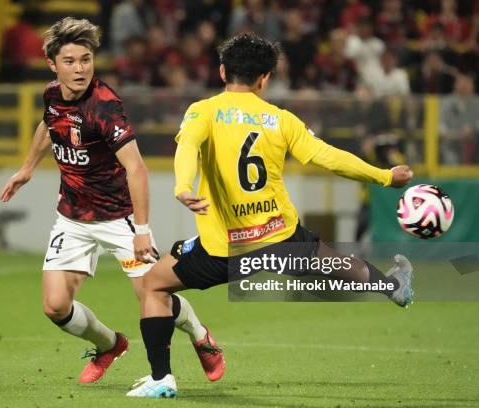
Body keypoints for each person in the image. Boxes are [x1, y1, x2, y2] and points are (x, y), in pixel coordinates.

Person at [126, 33, 414, 398]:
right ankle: (392, 287)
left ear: (221, 71)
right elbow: (328, 156)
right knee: (336, 261)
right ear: (265, 78)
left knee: (154, 285)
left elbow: (188, 148)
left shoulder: (203, 111)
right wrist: (386, 176)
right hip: (279, 237)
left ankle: (161, 378)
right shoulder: (281, 119)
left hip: (224, 247)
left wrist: (183, 187)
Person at [0, 17, 224, 384]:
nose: (80, 68)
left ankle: (202, 336)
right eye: (70, 61)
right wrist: (26, 168)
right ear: (53, 65)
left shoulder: (104, 106)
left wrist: (142, 230)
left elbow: (137, 169)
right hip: (72, 217)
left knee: (154, 293)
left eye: (86, 59)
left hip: (119, 219)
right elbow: (48, 123)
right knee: (55, 306)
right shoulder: (53, 94)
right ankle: (109, 345)